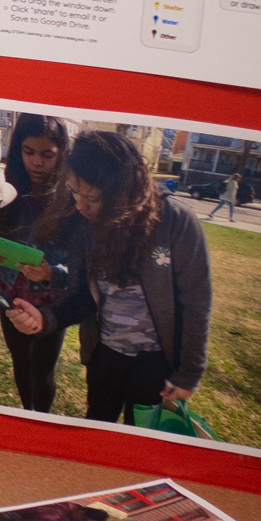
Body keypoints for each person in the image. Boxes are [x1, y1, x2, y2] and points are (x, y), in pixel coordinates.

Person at [25, 128, 211, 429]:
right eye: (74, 192)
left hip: (156, 363)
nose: (80, 205)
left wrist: (189, 374)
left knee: (141, 437)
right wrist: (45, 317)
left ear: (125, 191)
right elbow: (82, 296)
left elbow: (196, 302)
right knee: (98, 428)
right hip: (105, 357)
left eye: (93, 197)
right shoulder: (83, 225)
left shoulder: (176, 221)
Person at [0, 111, 83, 413]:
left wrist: (52, 273)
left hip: (49, 305)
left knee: (42, 371)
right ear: (17, 150)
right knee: (20, 363)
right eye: (28, 152)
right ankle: (28, 415)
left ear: (61, 154)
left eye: (47, 154)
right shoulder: (2, 188)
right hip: (9, 298)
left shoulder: (70, 199)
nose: (37, 162)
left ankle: (40, 420)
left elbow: (83, 269)